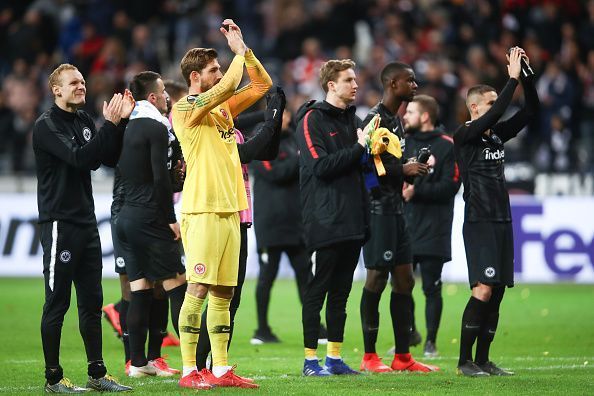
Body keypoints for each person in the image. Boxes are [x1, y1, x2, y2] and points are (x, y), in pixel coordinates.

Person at [171, 19, 272, 389]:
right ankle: (187, 371)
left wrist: (248, 55)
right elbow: (230, 83)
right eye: (212, 69)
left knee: (224, 292)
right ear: (196, 77)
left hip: (231, 209)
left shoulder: (223, 109)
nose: (220, 74)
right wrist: (239, 52)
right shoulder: (185, 109)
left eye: (220, 68)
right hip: (202, 209)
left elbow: (261, 85)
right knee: (197, 287)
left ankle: (220, 368)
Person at [33, 63, 133, 393]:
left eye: (83, 81)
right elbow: (79, 158)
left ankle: (97, 374)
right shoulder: (46, 126)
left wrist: (118, 127)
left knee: (91, 302)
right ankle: (52, 378)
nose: (81, 86)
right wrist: (109, 126)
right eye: (73, 82)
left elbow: (103, 158)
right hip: (60, 224)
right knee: (57, 303)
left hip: (87, 223)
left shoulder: (84, 120)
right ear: (56, 90)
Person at [454, 47, 539, 377]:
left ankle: (484, 359)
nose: (496, 111)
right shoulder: (465, 135)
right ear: (475, 108)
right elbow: (495, 114)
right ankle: (464, 361)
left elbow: (530, 111)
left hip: (503, 220)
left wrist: (526, 78)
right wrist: (511, 79)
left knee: (498, 291)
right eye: (489, 105)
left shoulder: (496, 136)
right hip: (479, 220)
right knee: (483, 289)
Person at [195, 87, 286, 369]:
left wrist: (275, 116)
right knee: (205, 295)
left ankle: (217, 365)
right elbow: (247, 152)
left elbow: (267, 150)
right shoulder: (210, 132)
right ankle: (197, 366)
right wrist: (270, 118)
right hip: (217, 217)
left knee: (229, 299)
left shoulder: (231, 130)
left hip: (240, 220)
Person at [359, 62, 437, 374]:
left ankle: (403, 356)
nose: (415, 85)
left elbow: (388, 165)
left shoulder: (396, 121)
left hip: (397, 212)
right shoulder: (374, 119)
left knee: (405, 280)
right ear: (393, 83)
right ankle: (369, 356)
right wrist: (400, 170)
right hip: (378, 212)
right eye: (410, 81)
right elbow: (364, 169)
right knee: (377, 279)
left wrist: (411, 166)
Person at [295, 59, 368, 376]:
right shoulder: (311, 120)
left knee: (341, 293)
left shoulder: (354, 120)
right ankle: (310, 361)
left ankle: (334, 359)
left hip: (353, 219)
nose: (355, 85)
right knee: (317, 291)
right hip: (324, 220)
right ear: (331, 85)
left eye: (355, 79)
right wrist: (359, 147)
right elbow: (320, 167)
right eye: (349, 79)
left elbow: (360, 168)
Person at [115, 71, 188, 378]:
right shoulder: (156, 127)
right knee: (178, 287)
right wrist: (170, 220)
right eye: (164, 92)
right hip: (150, 217)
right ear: (154, 97)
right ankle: (194, 363)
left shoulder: (129, 126)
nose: (169, 97)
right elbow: (160, 178)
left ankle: (138, 364)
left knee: (140, 289)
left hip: (125, 217)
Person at [401, 94, 461, 358]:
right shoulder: (404, 143)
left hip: (435, 227)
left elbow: (452, 186)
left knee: (431, 287)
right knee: (402, 285)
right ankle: (409, 334)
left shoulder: (448, 146)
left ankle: (431, 342)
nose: (405, 116)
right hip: (405, 225)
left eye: (411, 112)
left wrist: (417, 193)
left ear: (425, 116)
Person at [250, 109, 312, 344]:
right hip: (271, 222)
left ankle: (315, 325)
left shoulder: (291, 139)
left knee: (306, 275)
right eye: (283, 113)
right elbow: (274, 173)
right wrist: (299, 158)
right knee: (267, 276)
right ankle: (261, 329)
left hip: (295, 221)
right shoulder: (261, 141)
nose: (287, 118)